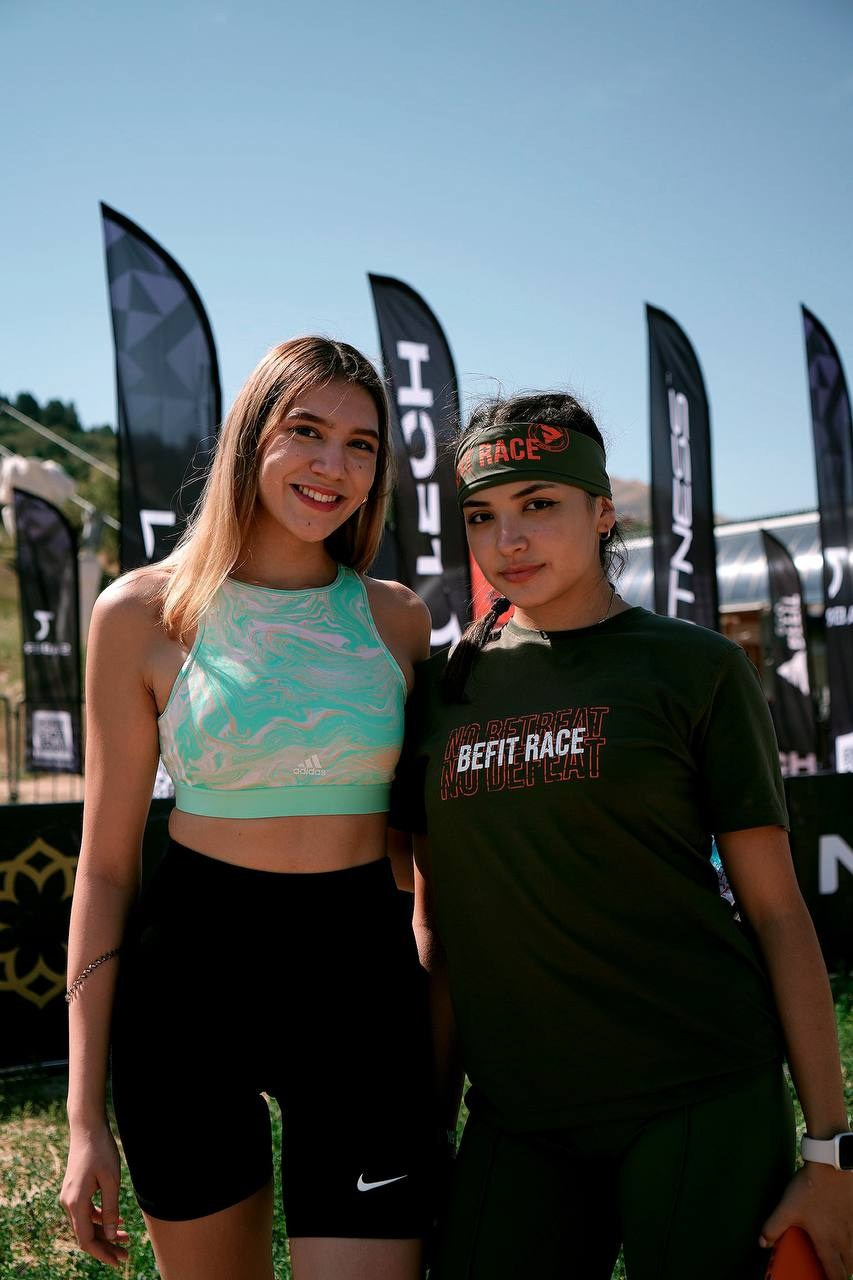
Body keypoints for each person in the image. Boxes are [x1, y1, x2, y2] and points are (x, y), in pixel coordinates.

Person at [392, 391, 853, 1280]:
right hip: (518, 1113)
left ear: (602, 513)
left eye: (538, 504)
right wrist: (429, 1131)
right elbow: (437, 929)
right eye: (482, 516)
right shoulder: (441, 692)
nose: (507, 539)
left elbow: (775, 912)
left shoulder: (694, 667)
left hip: (699, 1092)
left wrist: (831, 1153)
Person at [60, 337, 435, 1280]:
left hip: (361, 992)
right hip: (189, 991)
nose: (332, 465)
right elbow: (105, 868)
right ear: (249, 438)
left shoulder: (397, 619)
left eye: (360, 445)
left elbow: (417, 847)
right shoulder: (141, 614)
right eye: (305, 431)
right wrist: (82, 1118)